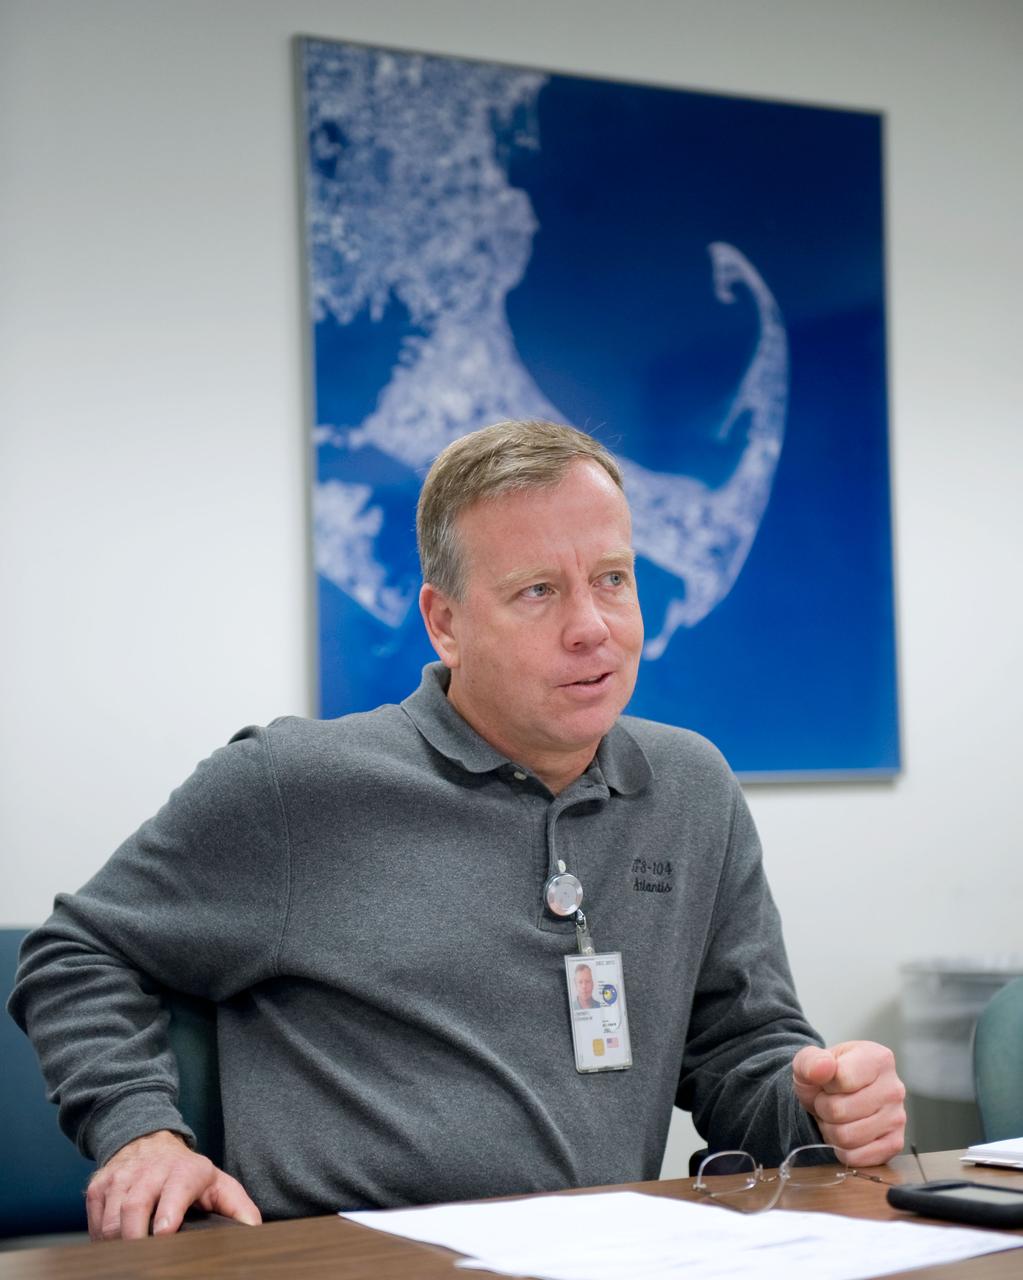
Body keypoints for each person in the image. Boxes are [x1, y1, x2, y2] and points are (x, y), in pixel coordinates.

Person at [9, 420, 906, 1242]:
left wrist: (820, 1107)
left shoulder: (691, 788)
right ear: (446, 623)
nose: (591, 627)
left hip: (607, 1250)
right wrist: (139, 1131)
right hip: (346, 1258)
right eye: (537, 592)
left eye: (612, 580)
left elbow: (741, 1054)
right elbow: (76, 951)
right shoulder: (295, 784)